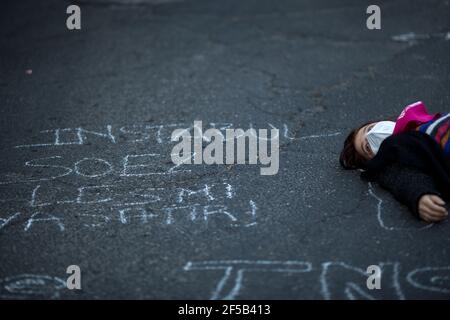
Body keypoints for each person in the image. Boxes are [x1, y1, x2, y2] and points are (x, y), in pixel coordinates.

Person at [340, 101, 450, 222]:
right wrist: (420, 195)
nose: (373, 133)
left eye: (370, 128)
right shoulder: (395, 153)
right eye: (367, 147)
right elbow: (402, 177)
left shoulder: (421, 123)